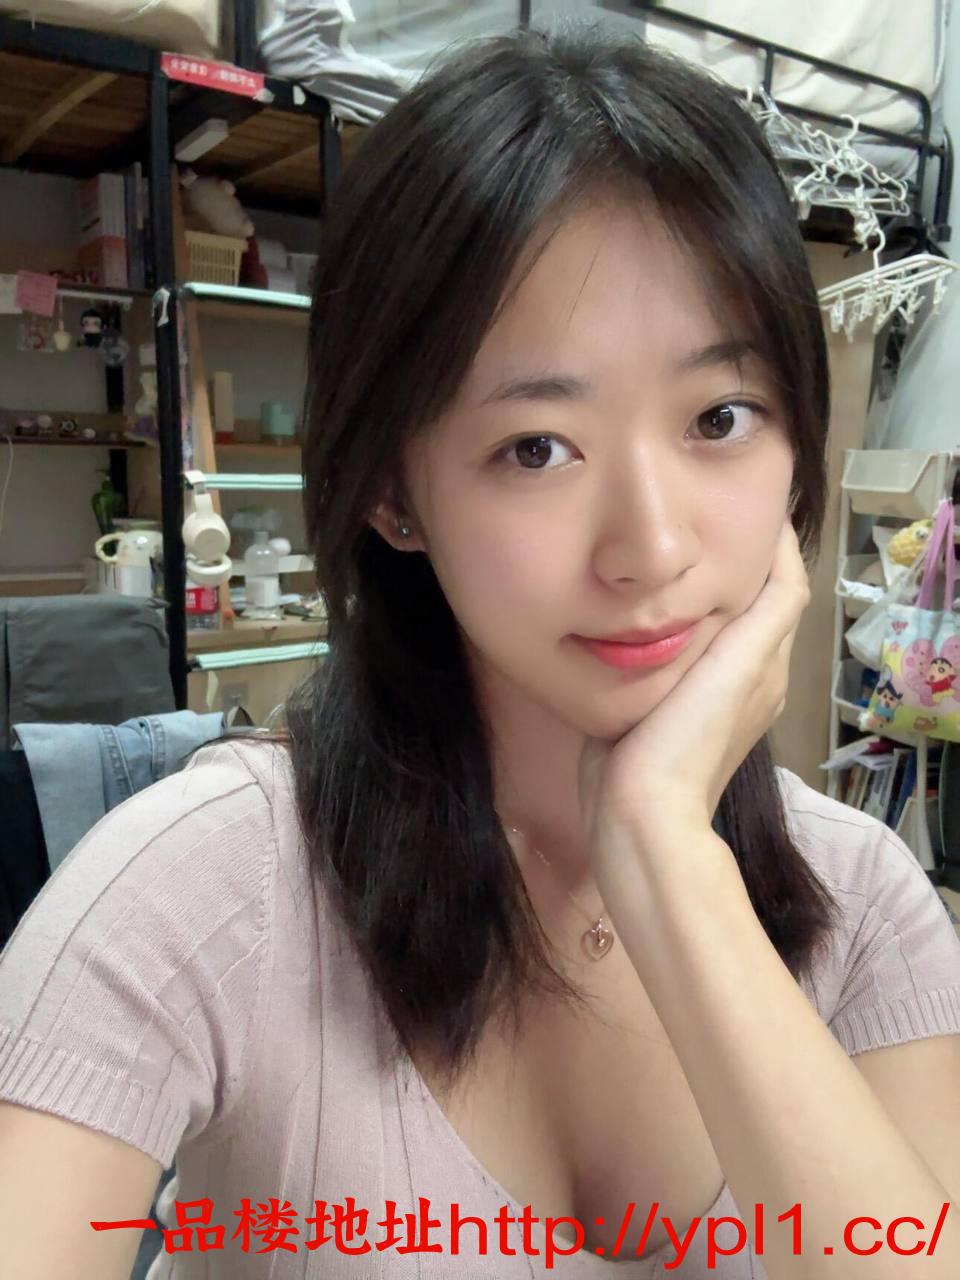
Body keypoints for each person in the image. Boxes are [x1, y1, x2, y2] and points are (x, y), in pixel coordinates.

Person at [2, 21, 959, 1280]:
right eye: (535, 447)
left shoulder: (869, 904)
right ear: (396, 493)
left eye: (720, 417)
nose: (651, 546)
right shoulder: (202, 889)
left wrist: (668, 857)